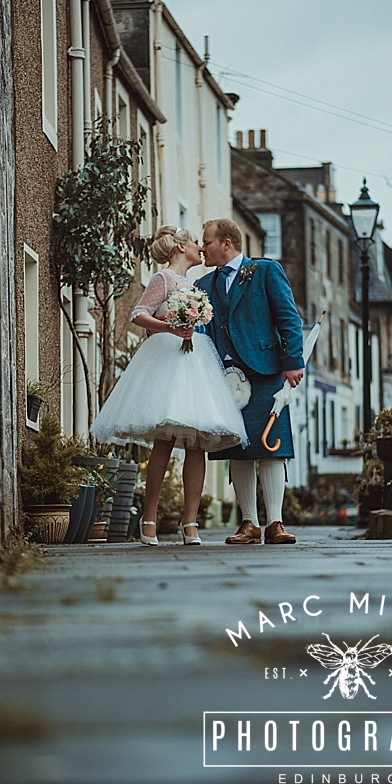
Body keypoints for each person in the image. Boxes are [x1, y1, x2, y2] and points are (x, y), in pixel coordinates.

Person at [91, 227, 247, 546]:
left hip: (196, 363)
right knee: (164, 439)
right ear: (179, 247)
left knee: (197, 442)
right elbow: (138, 314)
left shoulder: (194, 285)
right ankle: (148, 520)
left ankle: (190, 523)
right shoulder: (162, 279)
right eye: (194, 242)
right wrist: (170, 328)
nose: (200, 248)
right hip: (166, 360)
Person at [196, 218, 306, 545]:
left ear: (227, 244)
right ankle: (249, 523)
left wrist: (293, 362)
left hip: (266, 369)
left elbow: (288, 317)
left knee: (272, 446)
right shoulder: (202, 285)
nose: (202, 248)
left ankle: (275, 523)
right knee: (237, 447)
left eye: (208, 242)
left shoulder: (265, 271)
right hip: (224, 378)